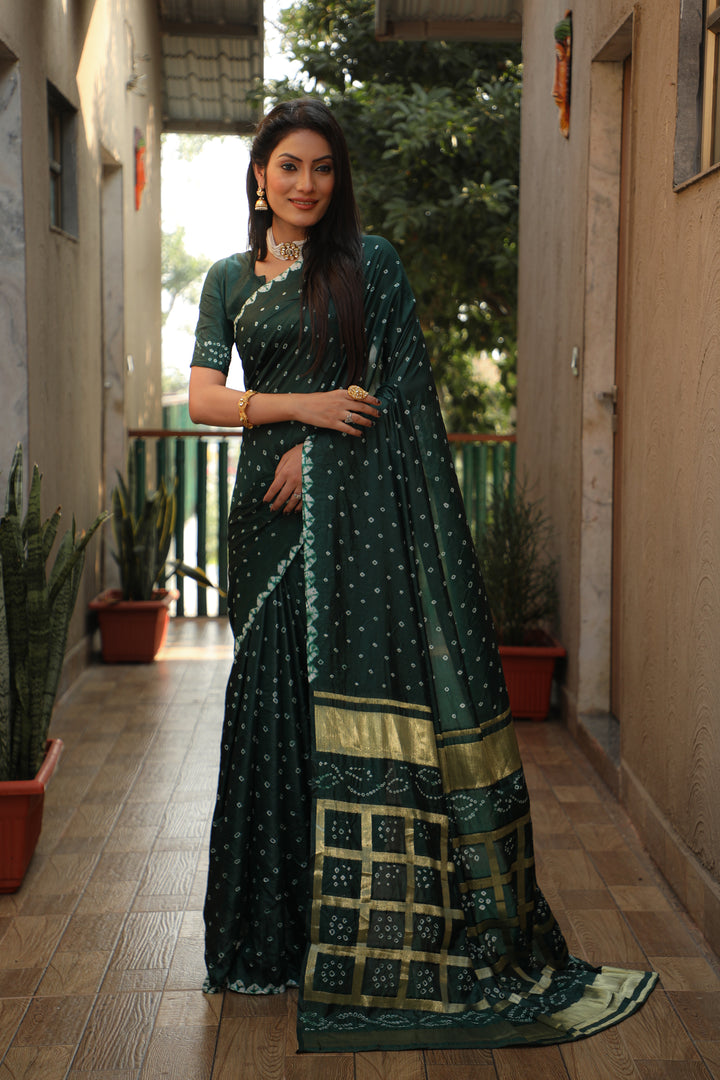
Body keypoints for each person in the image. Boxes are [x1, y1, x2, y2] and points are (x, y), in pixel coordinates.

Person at [189, 98, 655, 1054]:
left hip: (353, 536)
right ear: (259, 174)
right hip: (266, 536)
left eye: (322, 168)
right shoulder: (230, 278)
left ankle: (358, 942)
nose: (306, 184)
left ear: (338, 177)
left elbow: (398, 390)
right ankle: (265, 945)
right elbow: (203, 398)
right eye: (289, 167)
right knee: (271, 716)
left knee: (344, 717)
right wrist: (305, 411)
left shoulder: (374, 266)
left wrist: (316, 454)